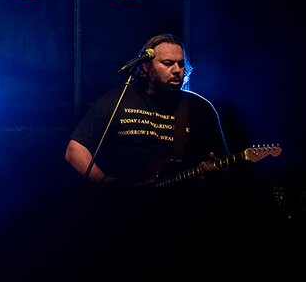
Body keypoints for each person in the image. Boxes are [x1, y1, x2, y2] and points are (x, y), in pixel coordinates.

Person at [65, 33, 229, 189]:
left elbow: (224, 163)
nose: (177, 70)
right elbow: (75, 150)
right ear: (146, 65)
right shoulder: (118, 100)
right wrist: (104, 182)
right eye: (168, 63)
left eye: (180, 64)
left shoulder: (200, 108)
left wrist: (217, 172)